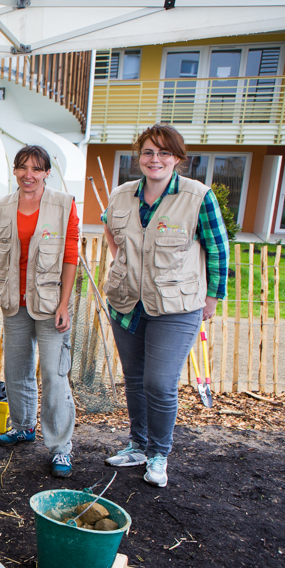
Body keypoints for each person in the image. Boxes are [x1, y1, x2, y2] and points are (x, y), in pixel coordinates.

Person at [102, 123, 228, 488]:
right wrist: (122, 263)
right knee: (136, 379)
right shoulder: (123, 194)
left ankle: (159, 452)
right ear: (138, 157)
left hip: (176, 306)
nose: (154, 159)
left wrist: (211, 298)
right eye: (147, 152)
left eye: (163, 152)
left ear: (177, 158)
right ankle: (137, 445)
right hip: (127, 302)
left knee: (160, 382)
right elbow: (109, 227)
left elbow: (218, 248)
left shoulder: (198, 197)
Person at [0, 145, 80, 478]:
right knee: (17, 370)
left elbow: (70, 257)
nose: (28, 175)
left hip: (50, 305)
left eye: (36, 169)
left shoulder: (64, 205)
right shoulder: (3, 208)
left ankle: (61, 448)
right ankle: (22, 427)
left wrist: (64, 304)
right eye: (22, 168)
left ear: (47, 172)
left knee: (52, 373)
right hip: (13, 301)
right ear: (15, 171)